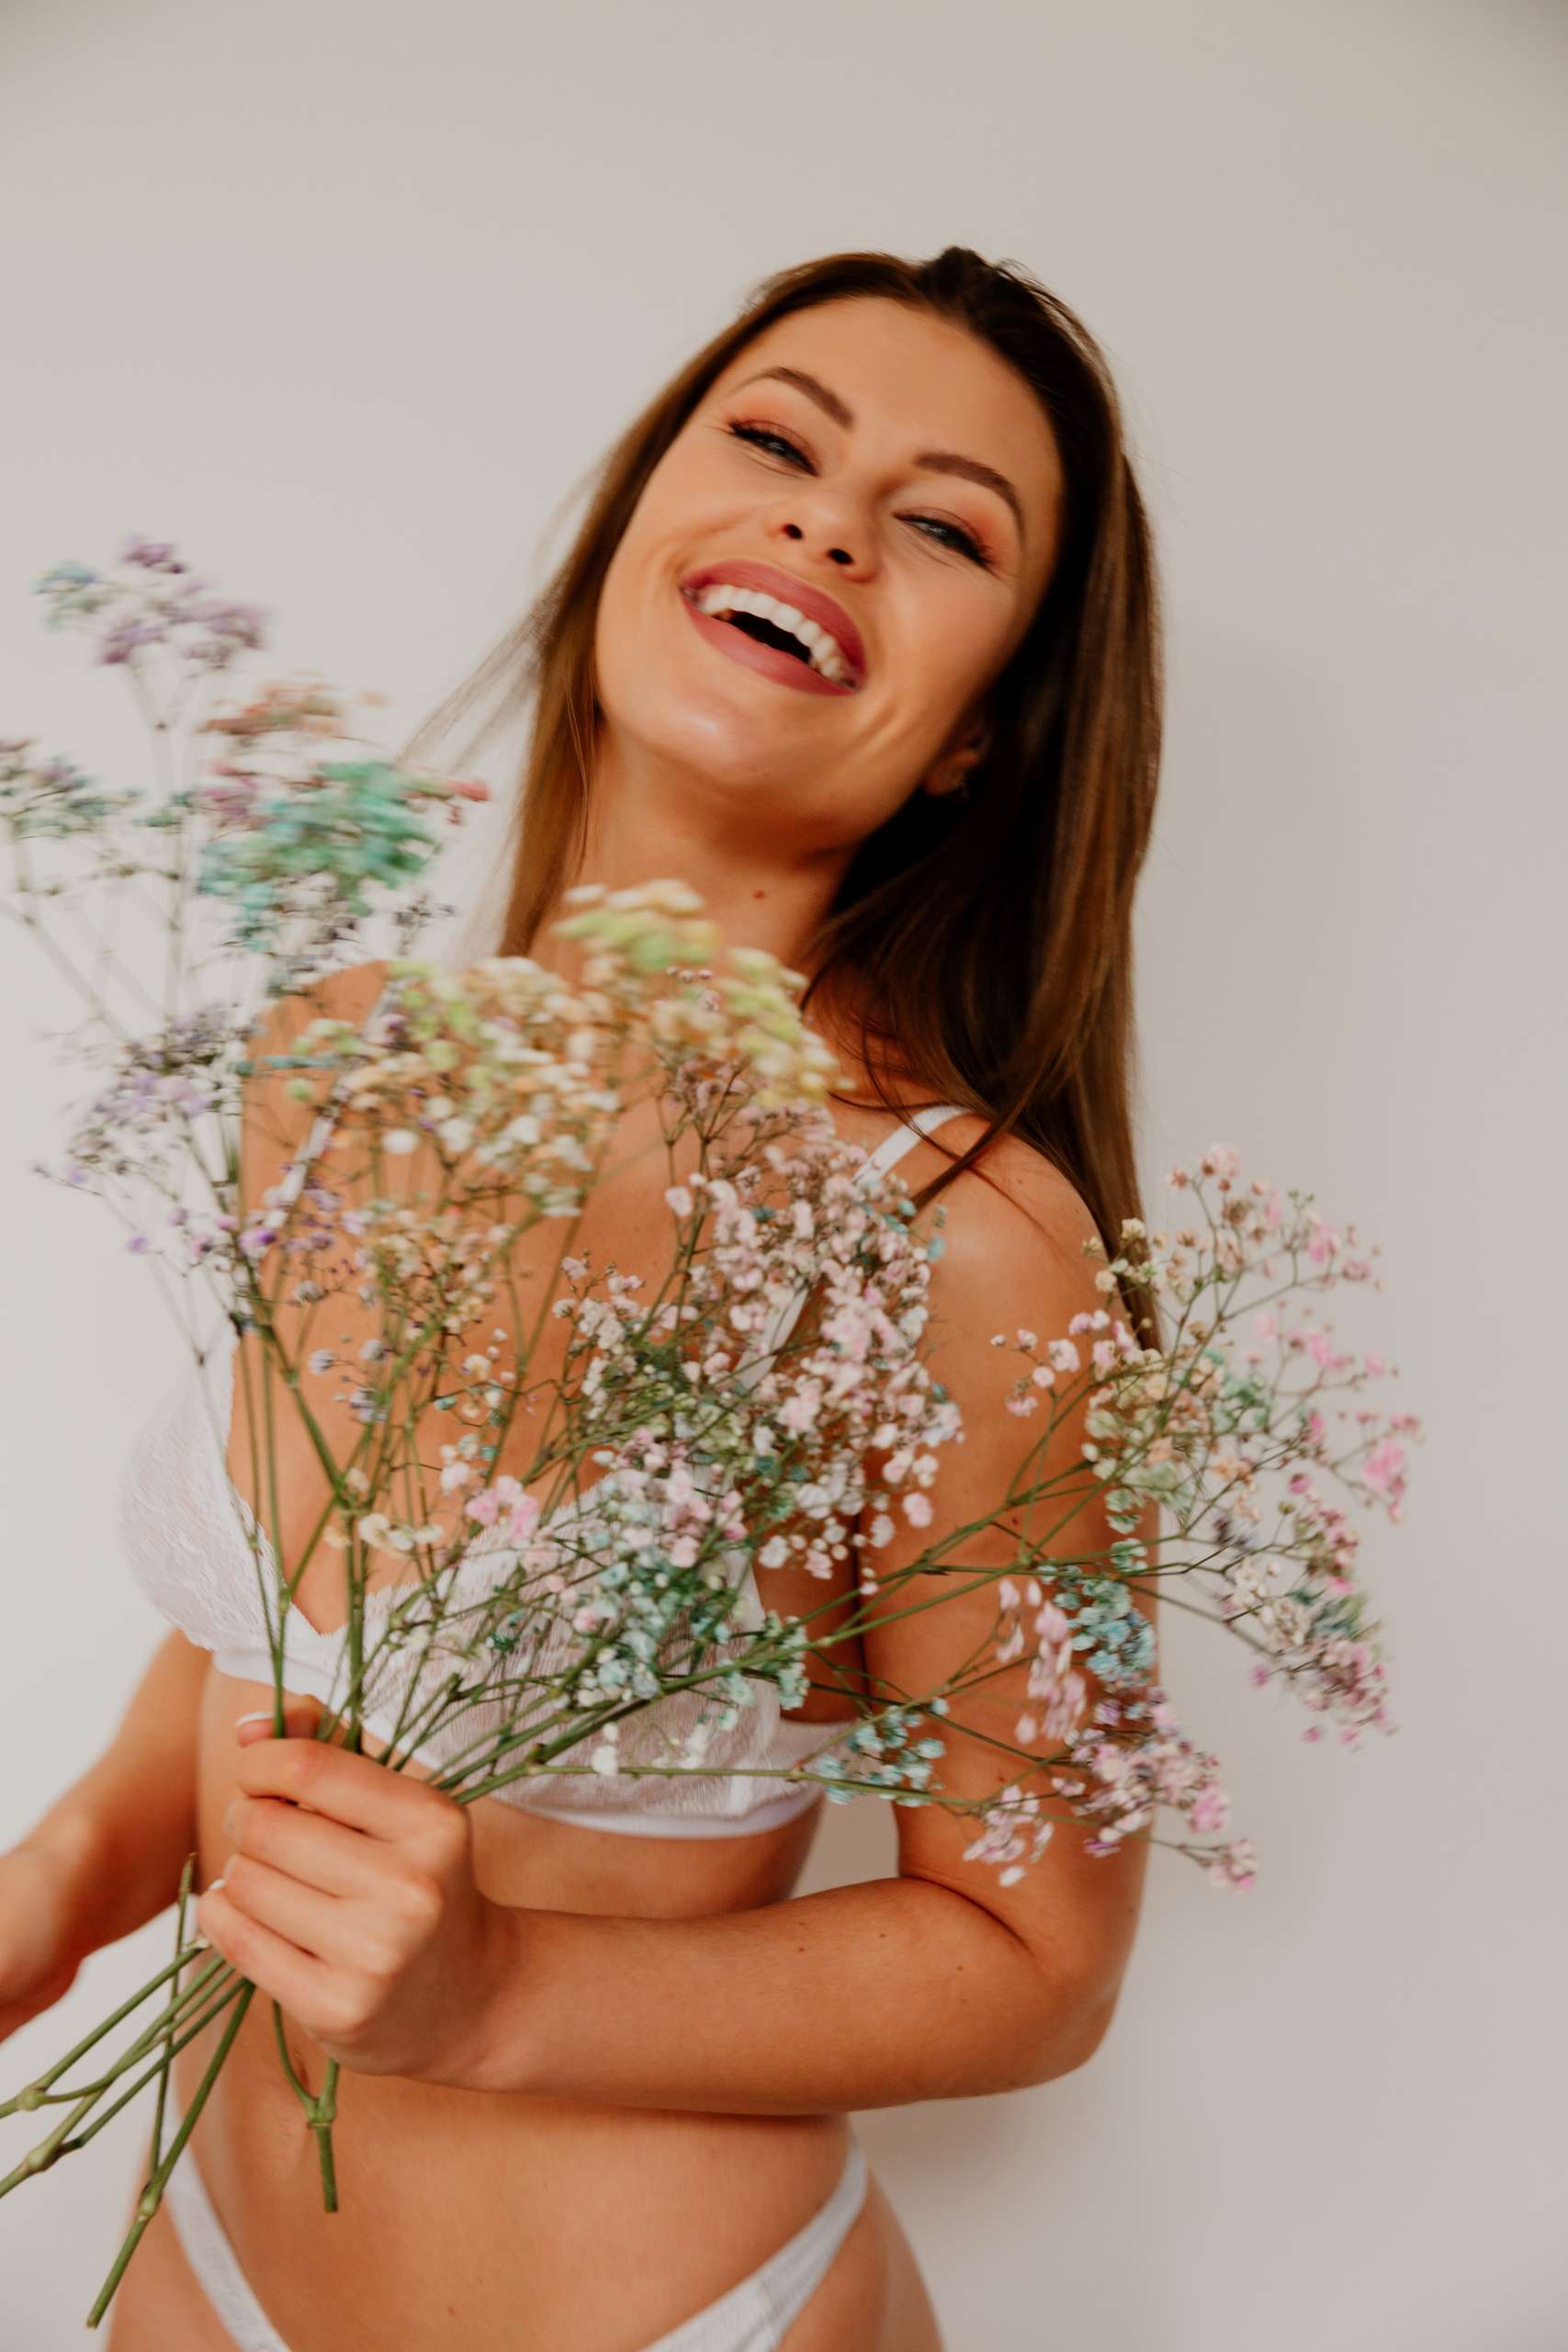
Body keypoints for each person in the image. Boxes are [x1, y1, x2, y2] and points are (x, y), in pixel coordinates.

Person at [0, 245, 1167, 2351]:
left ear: (979, 733)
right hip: (192, 2265)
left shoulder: (967, 1236)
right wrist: (60, 1881)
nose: (828, 519)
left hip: (664, 2309)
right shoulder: (327, 1055)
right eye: (777, 442)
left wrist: (497, 1988)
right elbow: (275, 1631)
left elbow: (1037, 1953)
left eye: (940, 524)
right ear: (641, 522)